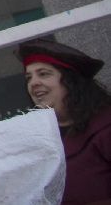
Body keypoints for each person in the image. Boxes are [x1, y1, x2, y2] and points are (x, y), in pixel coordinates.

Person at [23, 38, 111, 204]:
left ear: (71, 82)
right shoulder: (40, 142)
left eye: (43, 74)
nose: (33, 83)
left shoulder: (106, 126)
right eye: (29, 77)